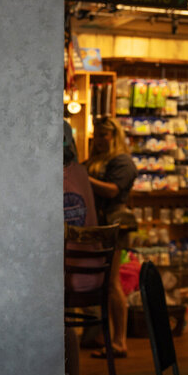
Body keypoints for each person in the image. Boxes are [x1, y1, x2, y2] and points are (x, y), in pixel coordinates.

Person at [83, 116, 136, 358]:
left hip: (114, 227)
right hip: (99, 227)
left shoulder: (122, 161)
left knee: (112, 283)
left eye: (105, 134)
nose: (100, 139)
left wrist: (84, 179)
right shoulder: (96, 160)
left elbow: (113, 190)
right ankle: (99, 335)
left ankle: (119, 341)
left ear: (114, 136)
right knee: (102, 284)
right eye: (98, 134)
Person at [63, 120, 97, 375]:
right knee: (59, 321)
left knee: (50, 318)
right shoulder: (81, 172)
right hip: (91, 271)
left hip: (70, 276)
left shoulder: (53, 176)